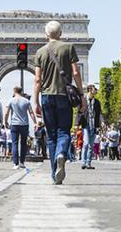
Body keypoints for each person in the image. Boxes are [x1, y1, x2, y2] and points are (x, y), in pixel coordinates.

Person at [34, 20, 86, 184]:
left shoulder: (40, 52)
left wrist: (35, 101)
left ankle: (53, 173)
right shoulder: (68, 47)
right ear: (61, 33)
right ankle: (62, 153)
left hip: (47, 96)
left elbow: (37, 80)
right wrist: (81, 94)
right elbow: (76, 72)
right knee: (64, 131)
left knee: (51, 136)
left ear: (46, 34)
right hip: (64, 95)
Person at [4, 86, 37, 169]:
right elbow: (31, 112)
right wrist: (35, 122)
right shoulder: (26, 101)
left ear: (14, 91)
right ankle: (22, 162)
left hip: (14, 124)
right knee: (23, 144)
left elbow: (7, 113)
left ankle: (15, 163)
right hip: (24, 124)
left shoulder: (11, 100)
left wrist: (5, 121)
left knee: (14, 143)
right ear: (21, 91)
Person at [76, 84, 103, 169]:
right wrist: (77, 124)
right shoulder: (83, 100)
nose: (96, 91)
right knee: (86, 143)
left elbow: (99, 114)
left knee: (91, 145)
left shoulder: (97, 102)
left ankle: (88, 163)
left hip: (94, 125)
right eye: (95, 89)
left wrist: (102, 122)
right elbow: (79, 112)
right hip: (86, 124)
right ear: (90, 90)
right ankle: (83, 162)